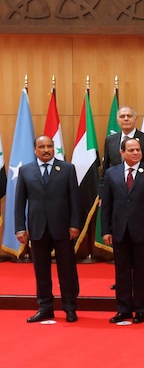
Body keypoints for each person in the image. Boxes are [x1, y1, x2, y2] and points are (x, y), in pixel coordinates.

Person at [14, 136, 82, 323]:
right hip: (37, 229)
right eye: (41, 147)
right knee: (41, 271)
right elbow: (20, 202)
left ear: (54, 148)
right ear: (35, 150)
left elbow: (75, 200)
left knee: (67, 270)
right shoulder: (26, 171)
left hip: (63, 228)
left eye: (49, 146)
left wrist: (75, 224)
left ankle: (70, 307)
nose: (46, 150)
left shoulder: (67, 169)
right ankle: (45, 307)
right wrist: (20, 228)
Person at [101, 136, 144, 324]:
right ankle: (123, 309)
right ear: (122, 153)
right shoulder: (112, 173)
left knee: (141, 272)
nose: (136, 153)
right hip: (119, 231)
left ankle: (141, 309)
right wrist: (106, 230)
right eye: (131, 150)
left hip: (143, 231)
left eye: (138, 150)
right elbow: (106, 205)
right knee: (121, 273)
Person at [102, 105, 144, 171]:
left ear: (135, 119)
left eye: (129, 116)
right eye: (122, 116)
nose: (126, 119)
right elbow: (106, 166)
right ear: (117, 121)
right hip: (115, 180)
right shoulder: (110, 140)